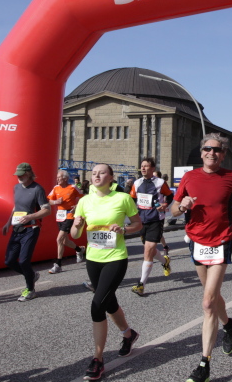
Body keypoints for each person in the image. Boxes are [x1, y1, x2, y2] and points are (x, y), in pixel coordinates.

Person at [171, 133, 232, 382]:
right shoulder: (189, 177)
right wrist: (182, 206)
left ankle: (204, 364)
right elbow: (173, 210)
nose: (211, 153)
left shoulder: (231, 177)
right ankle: (228, 324)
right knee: (211, 297)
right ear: (202, 152)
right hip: (197, 241)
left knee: (207, 303)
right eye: (207, 149)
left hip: (221, 240)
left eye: (217, 150)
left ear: (223, 155)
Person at [70, 163, 142, 381]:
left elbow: (138, 225)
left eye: (102, 173)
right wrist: (77, 225)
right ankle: (128, 334)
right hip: (93, 259)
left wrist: (124, 229)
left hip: (115, 258)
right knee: (109, 302)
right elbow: (75, 235)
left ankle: (98, 359)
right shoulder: (84, 201)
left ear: (111, 177)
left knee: (97, 305)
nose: (97, 176)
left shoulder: (123, 199)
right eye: (94, 173)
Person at [2, 163, 51, 301]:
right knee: (9, 261)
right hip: (17, 228)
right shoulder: (16, 188)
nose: (18, 177)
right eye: (17, 174)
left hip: (31, 228)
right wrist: (8, 222)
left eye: (21, 174)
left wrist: (30, 217)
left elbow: (47, 210)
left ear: (29, 173)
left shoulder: (37, 189)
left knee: (24, 261)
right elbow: (16, 207)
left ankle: (30, 290)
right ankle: (31, 275)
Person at [130, 158, 173, 296]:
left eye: (146, 166)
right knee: (151, 250)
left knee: (148, 250)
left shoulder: (160, 183)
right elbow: (132, 199)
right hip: (142, 220)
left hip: (156, 219)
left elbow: (170, 196)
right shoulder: (137, 183)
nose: (143, 168)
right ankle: (165, 261)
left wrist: (164, 205)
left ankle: (141, 284)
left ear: (153, 168)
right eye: (142, 166)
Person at [47, 169, 84, 274]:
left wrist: (76, 206)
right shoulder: (56, 188)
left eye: (59, 178)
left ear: (65, 178)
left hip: (69, 215)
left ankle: (58, 265)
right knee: (64, 241)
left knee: (59, 239)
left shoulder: (73, 187)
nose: (57, 179)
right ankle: (79, 250)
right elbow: (48, 200)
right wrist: (55, 201)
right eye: (57, 178)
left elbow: (83, 198)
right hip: (60, 215)